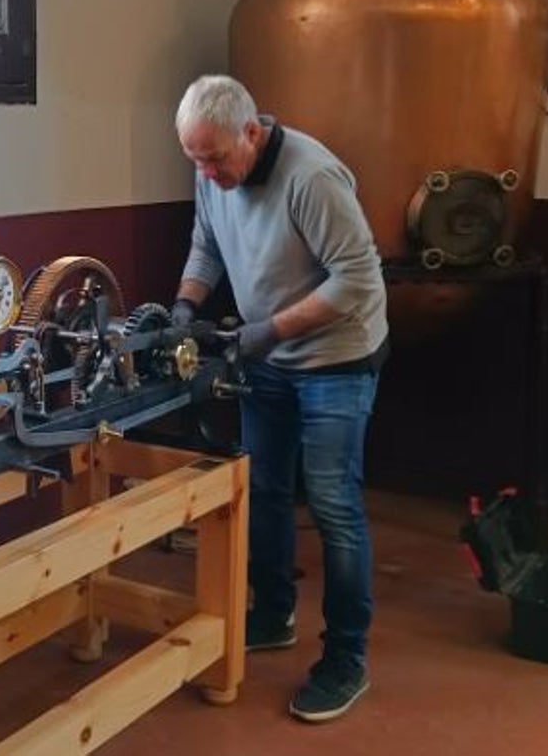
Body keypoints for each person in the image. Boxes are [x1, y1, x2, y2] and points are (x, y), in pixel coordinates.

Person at [171, 75, 388, 722]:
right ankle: (272, 613)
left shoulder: (311, 176)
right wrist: (185, 306)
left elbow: (358, 277)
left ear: (253, 133)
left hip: (336, 359)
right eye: (195, 160)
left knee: (331, 505)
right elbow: (206, 246)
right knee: (262, 488)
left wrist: (268, 331)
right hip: (265, 356)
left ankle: (346, 660)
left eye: (215, 158)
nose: (207, 174)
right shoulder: (212, 170)